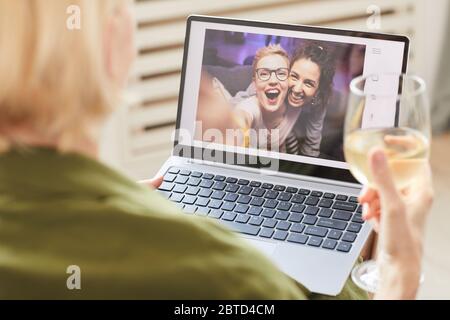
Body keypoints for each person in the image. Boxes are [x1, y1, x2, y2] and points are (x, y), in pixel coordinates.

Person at [0, 0, 433, 300]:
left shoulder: (310, 114)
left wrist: (111, 209)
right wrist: (400, 270)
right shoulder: (234, 280)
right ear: (115, 46)